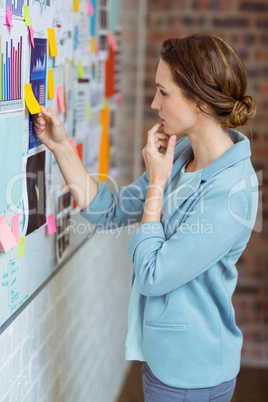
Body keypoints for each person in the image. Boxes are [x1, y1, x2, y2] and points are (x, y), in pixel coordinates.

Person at [33, 33, 258, 402]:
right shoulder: (182, 151)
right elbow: (111, 211)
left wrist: (156, 183)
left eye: (163, 92)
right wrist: (60, 147)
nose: (154, 103)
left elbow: (154, 275)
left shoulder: (233, 190)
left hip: (191, 373)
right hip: (161, 359)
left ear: (200, 101)